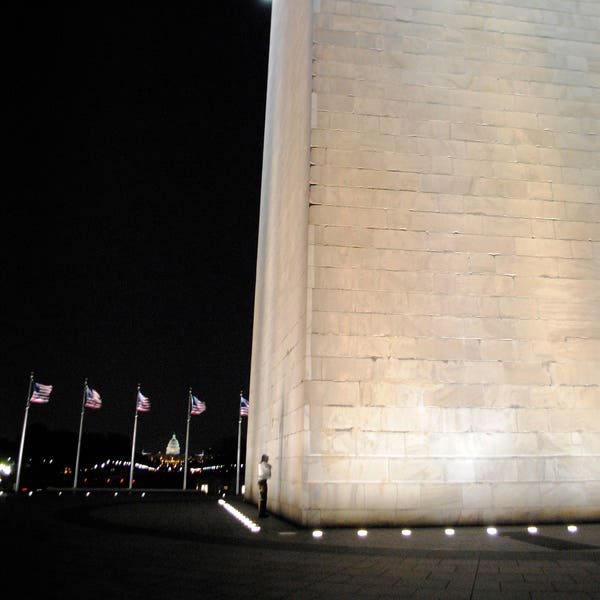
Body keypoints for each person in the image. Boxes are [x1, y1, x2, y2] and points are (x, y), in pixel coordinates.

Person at [257, 454, 271, 518]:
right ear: (264, 458)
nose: (268, 459)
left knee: (262, 498)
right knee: (263, 498)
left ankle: (262, 512)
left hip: (261, 481)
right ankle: (262, 513)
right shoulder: (264, 464)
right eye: (267, 458)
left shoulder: (261, 464)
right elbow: (267, 473)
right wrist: (269, 467)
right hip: (263, 481)